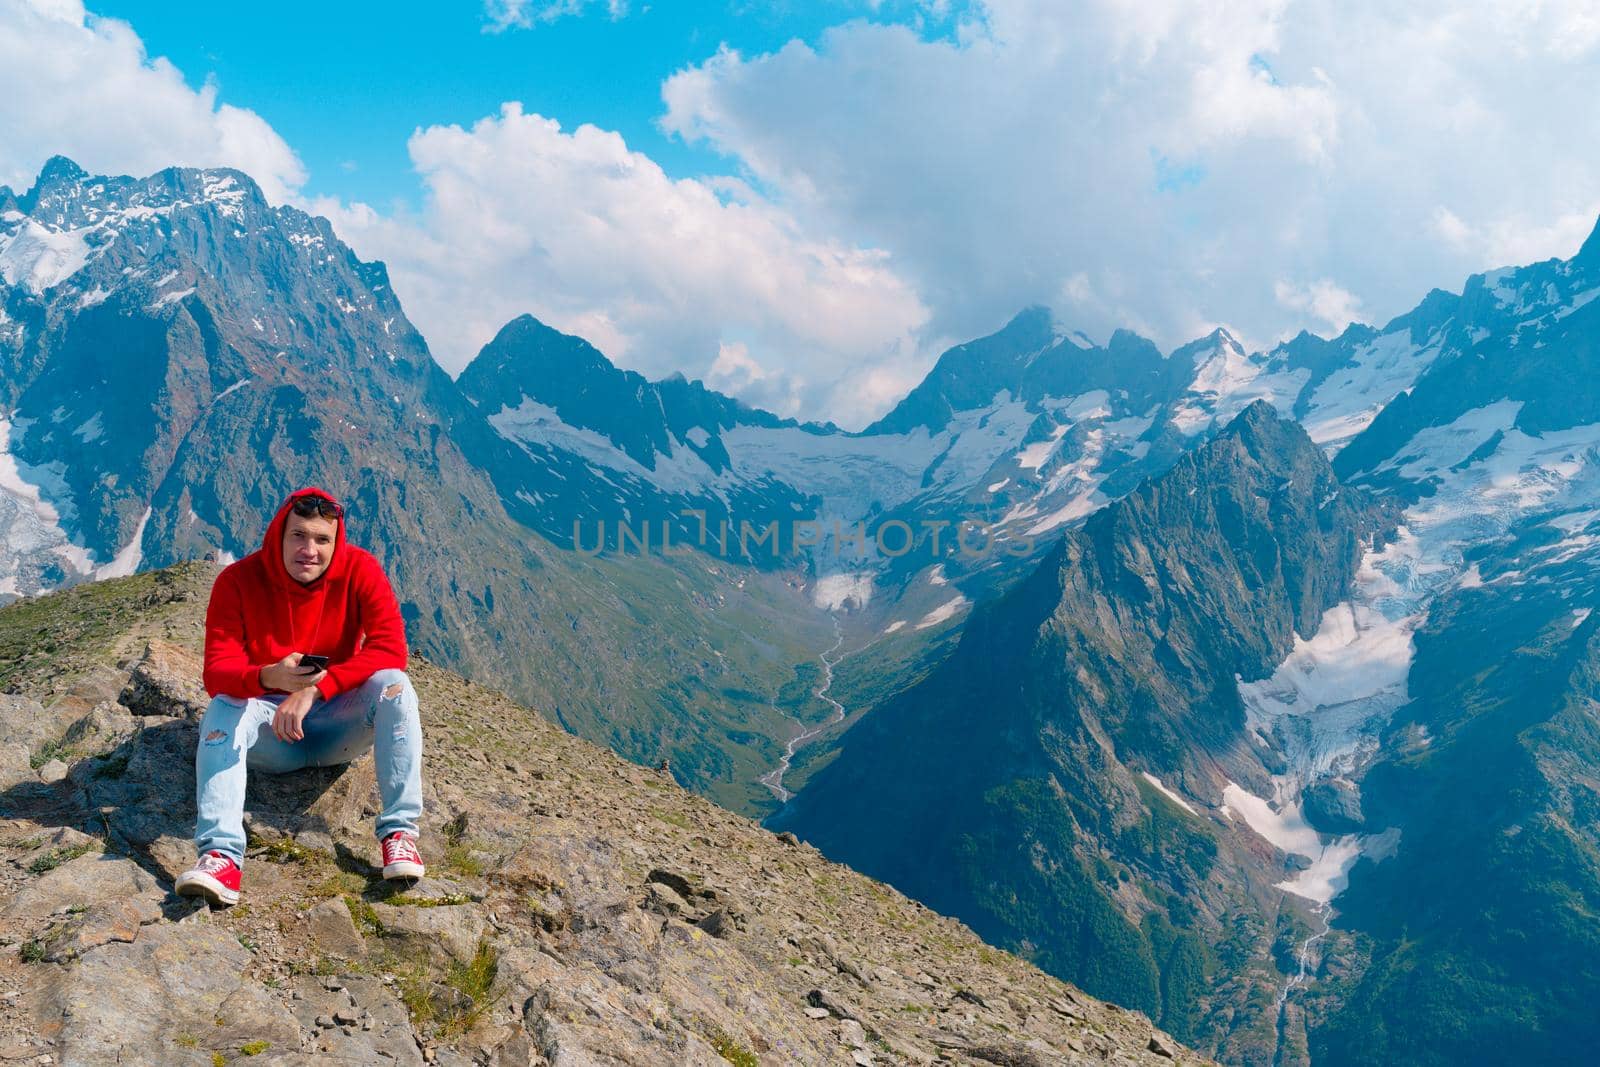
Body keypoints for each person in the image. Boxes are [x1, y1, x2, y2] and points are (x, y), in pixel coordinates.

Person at [175, 487, 425, 906]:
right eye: (298, 536)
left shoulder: (360, 570)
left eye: (322, 539)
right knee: (223, 706)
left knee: (396, 685)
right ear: (279, 534)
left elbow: (390, 648)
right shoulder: (236, 582)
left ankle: (399, 833)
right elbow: (217, 672)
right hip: (271, 734)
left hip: (337, 725)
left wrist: (314, 689)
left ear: (336, 541)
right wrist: (268, 676)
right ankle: (221, 857)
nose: (309, 550)